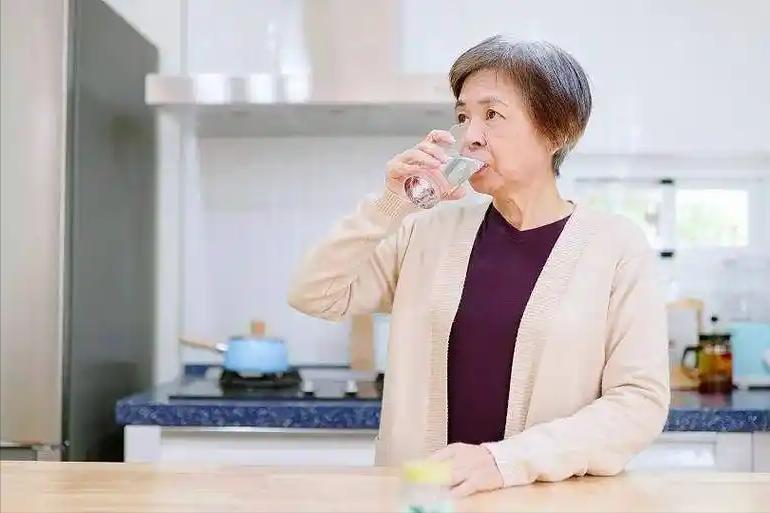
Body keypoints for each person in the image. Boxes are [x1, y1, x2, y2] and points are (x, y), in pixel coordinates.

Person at [288, 36, 669, 497]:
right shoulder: (426, 233)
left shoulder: (617, 247)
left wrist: (504, 462)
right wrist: (390, 204)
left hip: (545, 502)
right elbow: (314, 294)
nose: (470, 135)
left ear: (558, 130)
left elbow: (638, 403)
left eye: (492, 114)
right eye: (464, 115)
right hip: (423, 501)